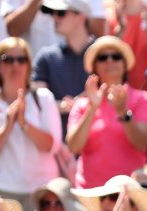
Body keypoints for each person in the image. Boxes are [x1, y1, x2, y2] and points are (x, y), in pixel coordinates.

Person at [0, 37, 63, 211]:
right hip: (0, 190)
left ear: (28, 66)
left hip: (42, 191)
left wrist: (24, 124)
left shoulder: (44, 98)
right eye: (8, 60)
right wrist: (7, 126)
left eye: (21, 60)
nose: (15, 65)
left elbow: (52, 146)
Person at [66, 36, 147, 187]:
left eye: (116, 56)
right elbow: (73, 147)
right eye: (103, 57)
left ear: (124, 64)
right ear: (94, 67)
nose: (109, 61)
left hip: (129, 191)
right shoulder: (82, 104)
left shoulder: (142, 99)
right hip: (90, 192)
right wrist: (93, 108)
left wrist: (123, 112)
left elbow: (141, 143)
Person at [30, 0, 92, 132]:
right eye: (52, 13)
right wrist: (61, 106)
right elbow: (35, 101)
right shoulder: (46, 57)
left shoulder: (105, 54)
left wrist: (83, 103)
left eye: (61, 13)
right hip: (58, 140)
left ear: (81, 16)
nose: (54, 18)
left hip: (98, 139)